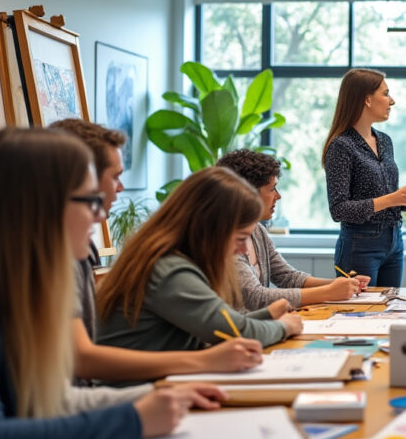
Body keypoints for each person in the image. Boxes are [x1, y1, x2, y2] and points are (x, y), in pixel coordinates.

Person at [0, 129, 224, 439]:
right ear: (40, 205)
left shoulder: (23, 290)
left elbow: (53, 400)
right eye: (90, 200)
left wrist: (156, 394)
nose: (102, 212)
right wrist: (135, 420)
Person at [49, 119, 263, 383]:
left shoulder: (74, 251)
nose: (121, 187)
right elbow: (83, 362)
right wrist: (202, 362)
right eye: (115, 176)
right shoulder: (167, 268)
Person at [96, 167, 303, 367]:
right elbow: (236, 331)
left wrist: (267, 315)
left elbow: (219, 325)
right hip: (139, 389)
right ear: (210, 229)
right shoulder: (170, 270)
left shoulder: (169, 258)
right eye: (240, 238)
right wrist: (284, 327)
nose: (242, 250)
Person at [217, 149, 368, 309]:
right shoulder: (223, 239)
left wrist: (339, 285)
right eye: (272, 189)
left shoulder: (257, 230)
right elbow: (256, 297)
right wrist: (328, 292)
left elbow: (287, 277)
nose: (278, 196)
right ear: (247, 193)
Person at [323, 69, 406, 287]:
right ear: (367, 100)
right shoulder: (341, 146)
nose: (392, 101)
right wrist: (394, 198)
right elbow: (339, 209)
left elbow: (383, 199)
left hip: (394, 240)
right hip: (359, 244)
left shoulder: (384, 141)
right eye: (386, 94)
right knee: (358, 315)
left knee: (389, 310)